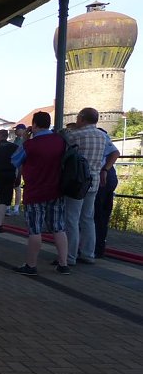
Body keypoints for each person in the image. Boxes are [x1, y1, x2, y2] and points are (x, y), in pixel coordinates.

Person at [10, 111, 70, 275]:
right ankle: (63, 264)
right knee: (59, 228)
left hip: (35, 192)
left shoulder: (30, 144)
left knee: (35, 230)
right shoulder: (60, 141)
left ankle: (31, 265)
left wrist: (25, 139)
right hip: (56, 190)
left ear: (34, 125)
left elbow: (15, 160)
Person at [63, 107, 107, 266]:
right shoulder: (103, 136)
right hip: (93, 182)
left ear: (81, 118)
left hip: (76, 183)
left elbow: (63, 139)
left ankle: (70, 257)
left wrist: (70, 129)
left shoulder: (75, 135)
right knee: (88, 218)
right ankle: (88, 254)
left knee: (72, 219)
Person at [94, 128, 120, 258]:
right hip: (108, 178)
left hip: (102, 179)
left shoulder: (99, 136)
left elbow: (115, 152)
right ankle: (98, 247)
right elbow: (115, 153)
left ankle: (96, 248)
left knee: (97, 215)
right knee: (101, 215)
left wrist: (104, 170)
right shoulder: (102, 136)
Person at [9, 123, 27, 215]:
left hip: (20, 165)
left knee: (17, 186)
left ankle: (16, 208)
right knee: (15, 185)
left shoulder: (24, 140)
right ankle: (13, 207)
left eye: (18, 129)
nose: (15, 131)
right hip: (16, 164)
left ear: (23, 130)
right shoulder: (16, 140)